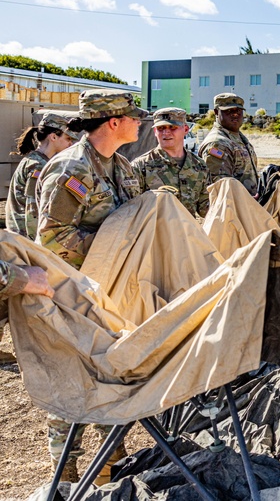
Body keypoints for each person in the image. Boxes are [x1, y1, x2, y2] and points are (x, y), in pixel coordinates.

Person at [34, 89, 146, 483]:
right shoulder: (72, 169)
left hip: (109, 295)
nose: (139, 122)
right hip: (72, 295)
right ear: (113, 122)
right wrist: (111, 248)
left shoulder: (121, 166)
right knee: (72, 384)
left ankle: (109, 471)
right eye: (133, 116)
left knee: (109, 379)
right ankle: (63, 480)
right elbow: (50, 238)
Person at [5, 110, 80, 240]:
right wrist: (40, 244)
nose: (71, 144)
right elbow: (32, 212)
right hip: (26, 240)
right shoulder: (37, 165)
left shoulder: (39, 161)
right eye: (67, 138)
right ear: (53, 137)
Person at [131, 107, 210, 217]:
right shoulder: (141, 166)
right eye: (160, 128)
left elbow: (205, 209)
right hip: (155, 232)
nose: (166, 132)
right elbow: (132, 209)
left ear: (186, 130)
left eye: (172, 127)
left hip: (188, 232)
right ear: (155, 131)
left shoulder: (199, 166)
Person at [199, 93, 259, 196]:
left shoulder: (238, 138)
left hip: (248, 205)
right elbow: (220, 188)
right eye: (229, 111)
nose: (235, 114)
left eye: (238, 111)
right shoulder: (217, 143)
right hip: (233, 207)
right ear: (216, 112)